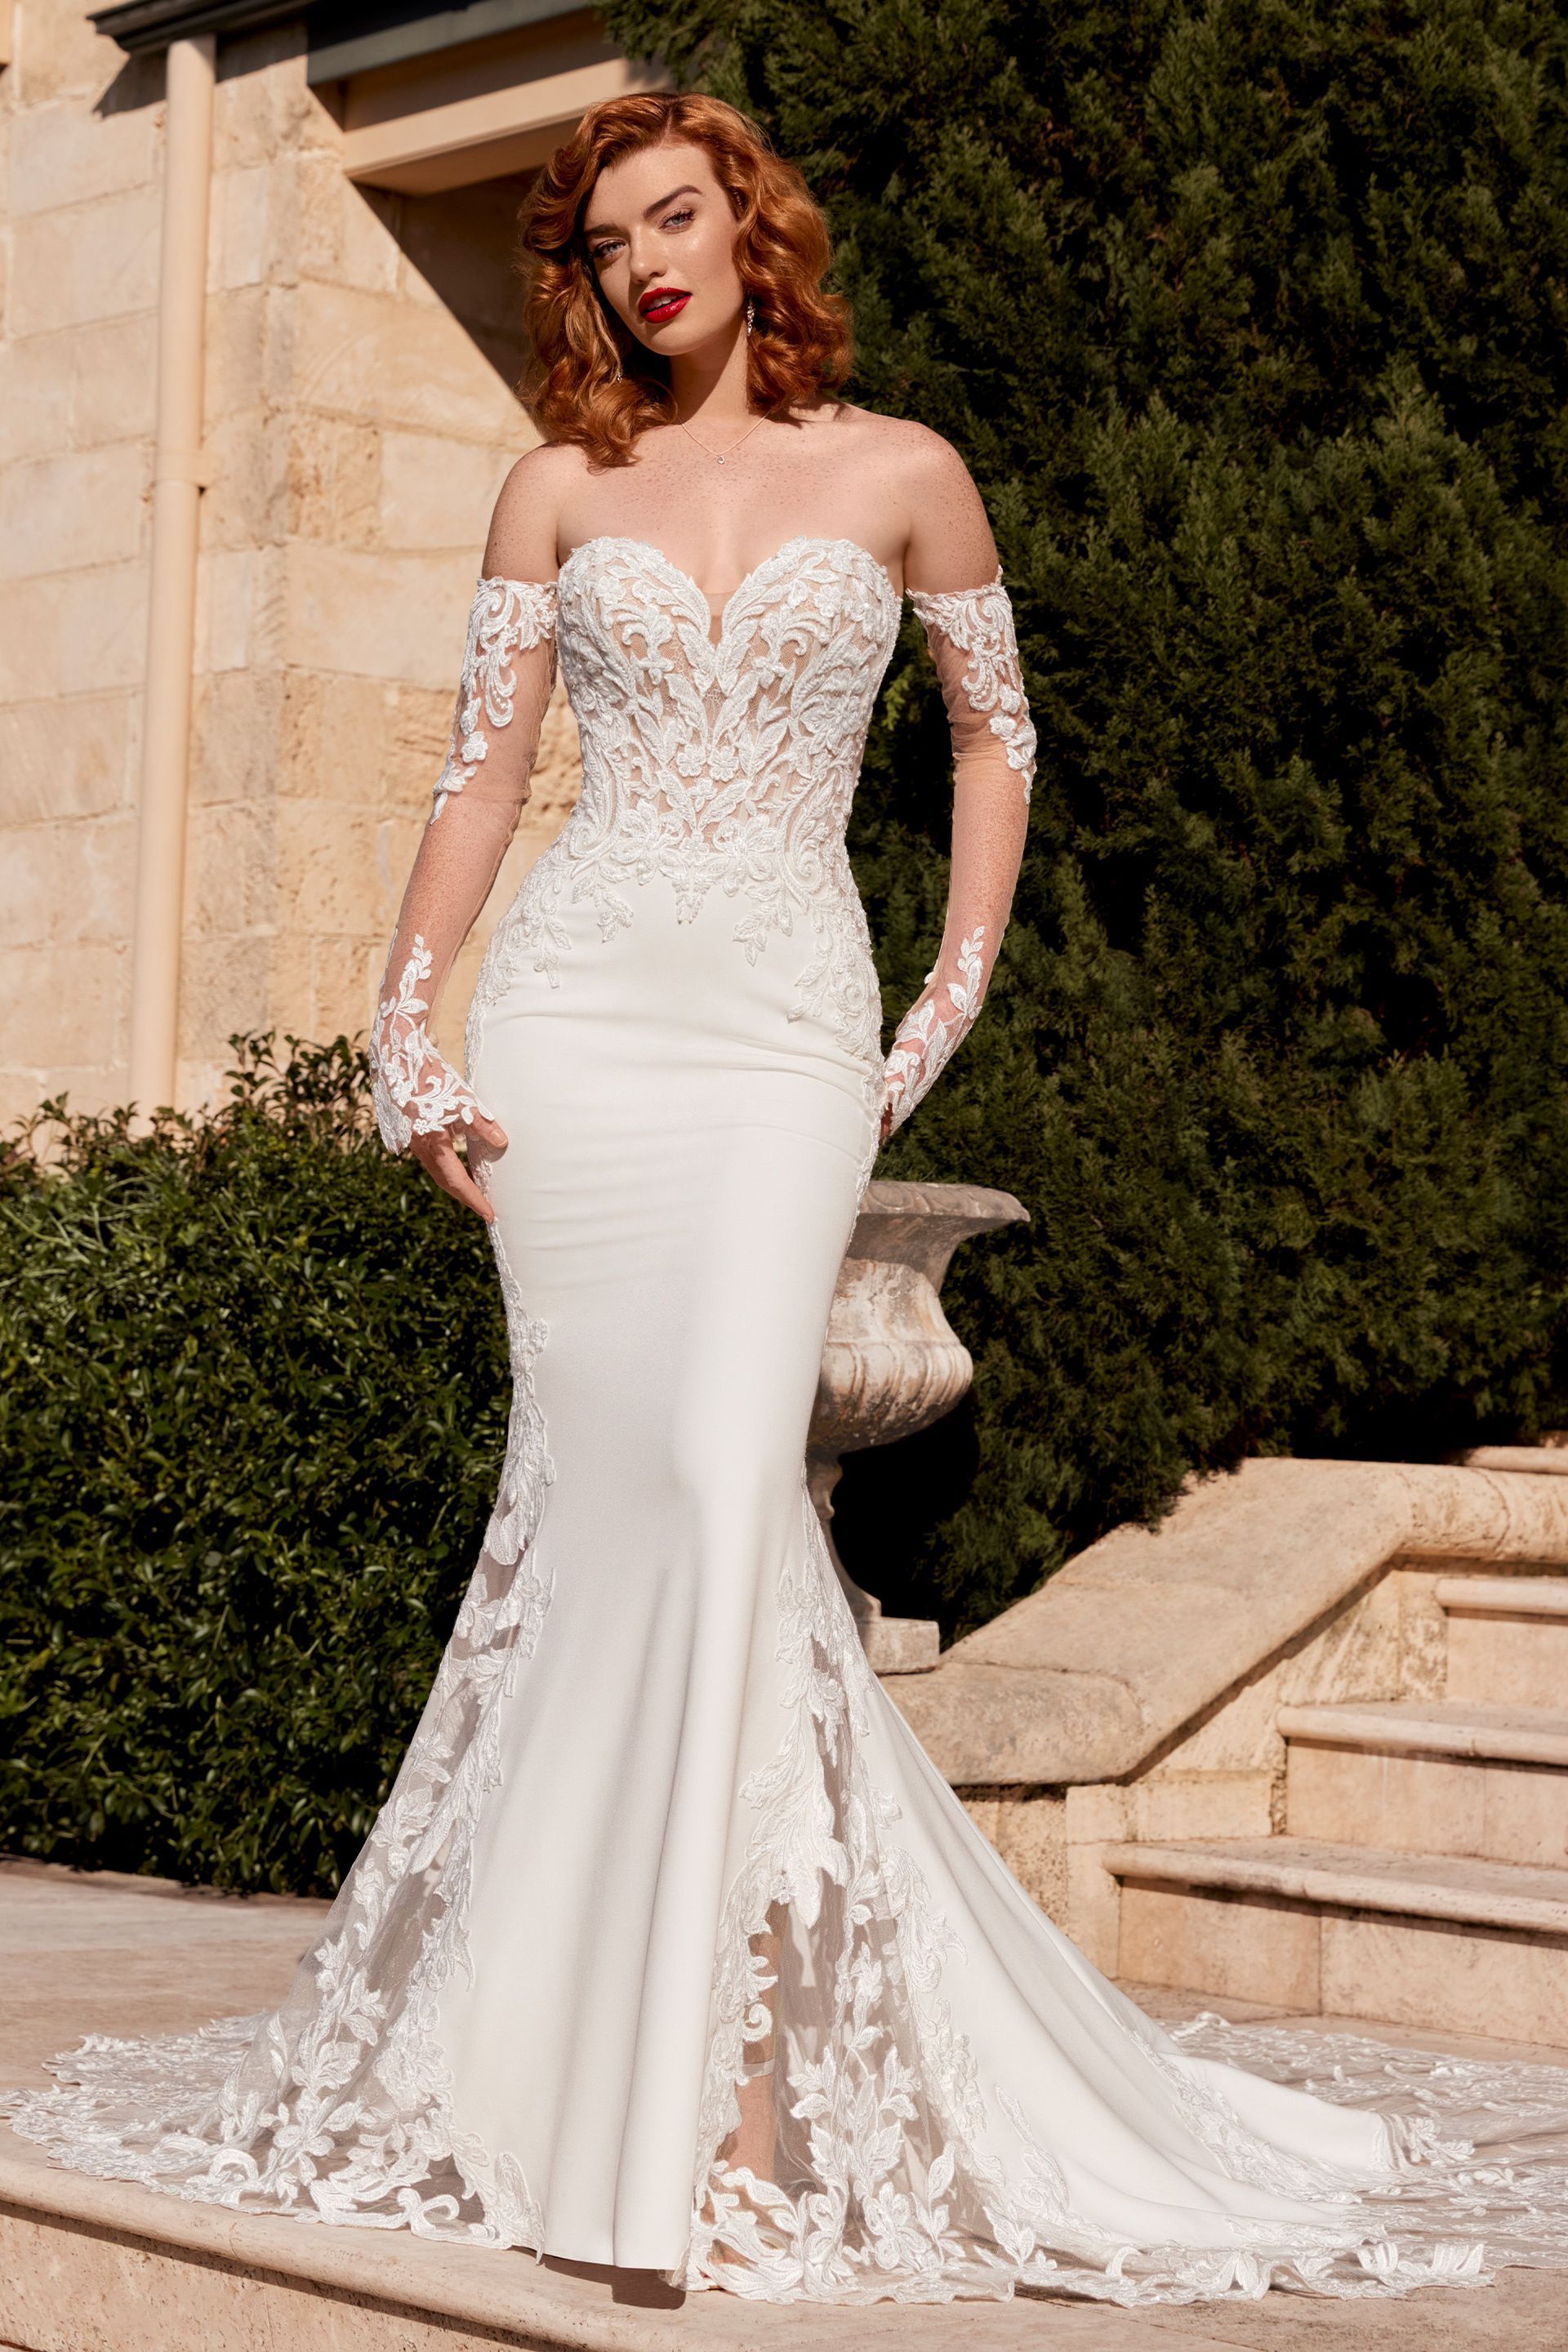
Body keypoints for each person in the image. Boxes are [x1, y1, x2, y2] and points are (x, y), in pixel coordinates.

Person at [10, 91, 1568, 2310]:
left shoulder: (908, 472)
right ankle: (586, 2094)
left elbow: (997, 744)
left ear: (752, 231)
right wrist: (407, 1030)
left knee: (740, 1489)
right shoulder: (556, 489)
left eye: (681, 216)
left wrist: (938, 1005)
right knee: (616, 1524)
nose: (650, 261)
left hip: (773, 1030)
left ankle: (721, 2130)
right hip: (576, 1023)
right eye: (610, 237)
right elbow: (480, 786)